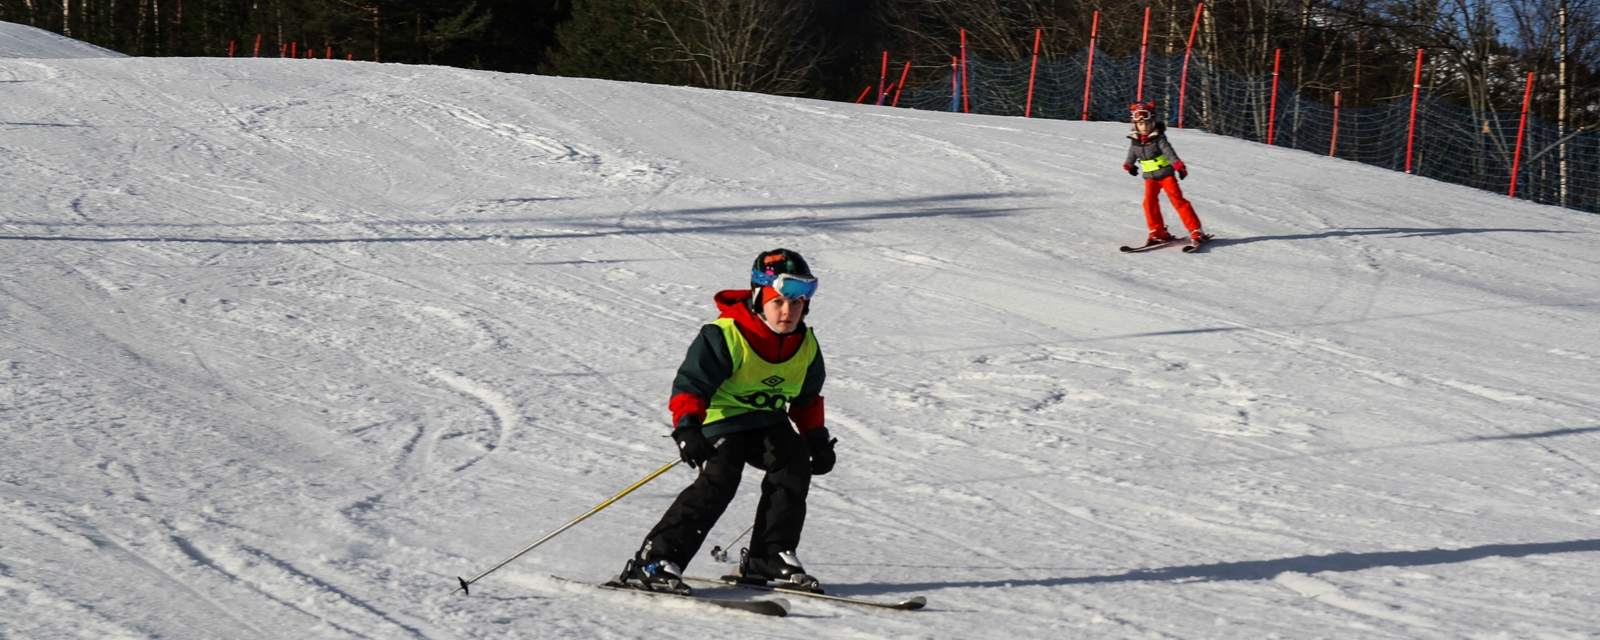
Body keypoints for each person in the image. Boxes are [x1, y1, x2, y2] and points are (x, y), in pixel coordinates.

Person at [616, 248, 836, 596]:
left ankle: (769, 555)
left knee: (793, 458)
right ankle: (655, 560)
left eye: (796, 304)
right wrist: (687, 427)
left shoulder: (805, 345)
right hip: (721, 421)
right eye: (778, 302)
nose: (787, 312)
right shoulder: (725, 334)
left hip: (768, 422)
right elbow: (691, 384)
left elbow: (807, 400)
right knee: (721, 476)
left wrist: (817, 440)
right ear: (758, 298)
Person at [1123, 102, 1210, 247]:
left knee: (1178, 200)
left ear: (1153, 123)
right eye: (1140, 124)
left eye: (1147, 124)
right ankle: (1157, 231)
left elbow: (1169, 153)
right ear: (1135, 125)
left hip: (1166, 176)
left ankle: (1196, 230)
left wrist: (1179, 166)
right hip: (1150, 179)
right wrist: (1129, 166)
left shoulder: (1159, 138)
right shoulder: (1135, 141)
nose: (1143, 127)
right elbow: (1131, 155)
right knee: (1149, 202)